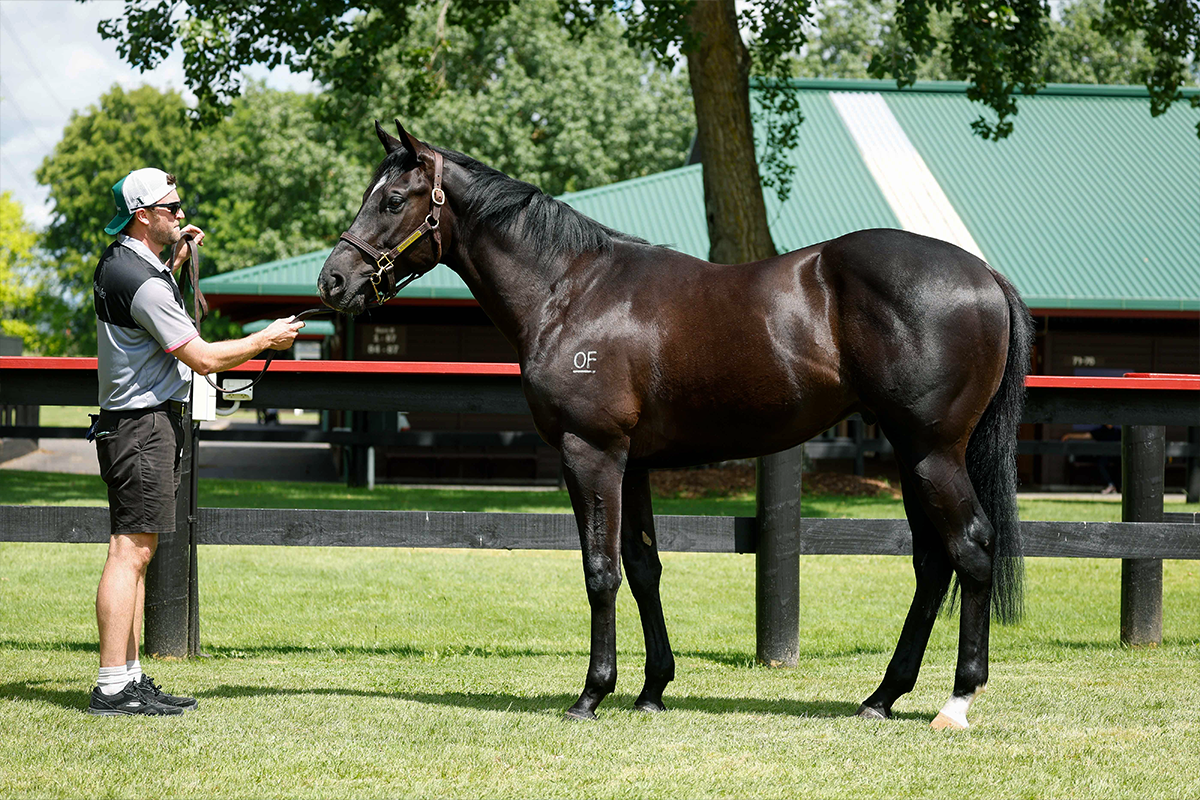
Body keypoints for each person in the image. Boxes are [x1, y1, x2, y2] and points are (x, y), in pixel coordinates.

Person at [88, 167, 304, 715]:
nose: (182, 215)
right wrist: (266, 338)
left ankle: (129, 678)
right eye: (172, 208)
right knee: (129, 552)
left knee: (137, 550)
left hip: (139, 423)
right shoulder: (140, 281)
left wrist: (174, 262)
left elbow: (155, 316)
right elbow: (203, 358)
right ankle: (113, 685)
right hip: (141, 426)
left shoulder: (130, 266)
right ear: (143, 215)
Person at [1061, 424, 1122, 494]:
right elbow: (1085, 436)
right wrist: (1069, 435)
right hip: (1105, 456)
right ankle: (1111, 485)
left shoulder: (1117, 431)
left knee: (1121, 464)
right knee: (1101, 464)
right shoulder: (1101, 430)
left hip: (1117, 456)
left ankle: (1119, 486)